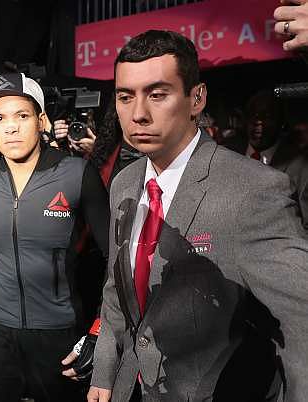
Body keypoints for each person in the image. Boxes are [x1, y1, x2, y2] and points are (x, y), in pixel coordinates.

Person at [88, 30, 308, 402]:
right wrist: (105, 371)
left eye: (158, 94)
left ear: (197, 99)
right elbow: (118, 286)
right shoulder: (124, 183)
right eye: (126, 97)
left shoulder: (252, 190)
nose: (138, 114)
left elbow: (301, 323)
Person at [0, 72, 110, 402]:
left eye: (22, 115)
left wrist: (102, 331)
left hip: (57, 336)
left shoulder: (78, 174)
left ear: (41, 119)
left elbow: (114, 259)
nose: (10, 127)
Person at [225, 90, 308, 229]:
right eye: (253, 115)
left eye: (267, 116)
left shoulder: (300, 166)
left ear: (281, 122)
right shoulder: (228, 155)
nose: (258, 121)